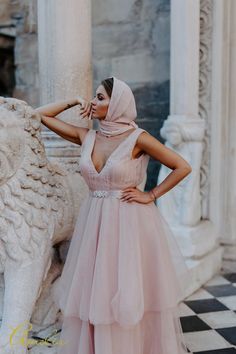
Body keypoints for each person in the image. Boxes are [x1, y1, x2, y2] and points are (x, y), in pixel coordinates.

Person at [35, 76, 192, 354]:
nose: (94, 103)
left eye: (100, 98)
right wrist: (73, 101)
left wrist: (151, 195)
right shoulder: (88, 136)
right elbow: (39, 116)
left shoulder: (138, 138)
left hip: (130, 222)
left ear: (117, 102)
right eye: (94, 97)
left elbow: (181, 166)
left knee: (128, 291)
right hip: (94, 223)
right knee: (99, 292)